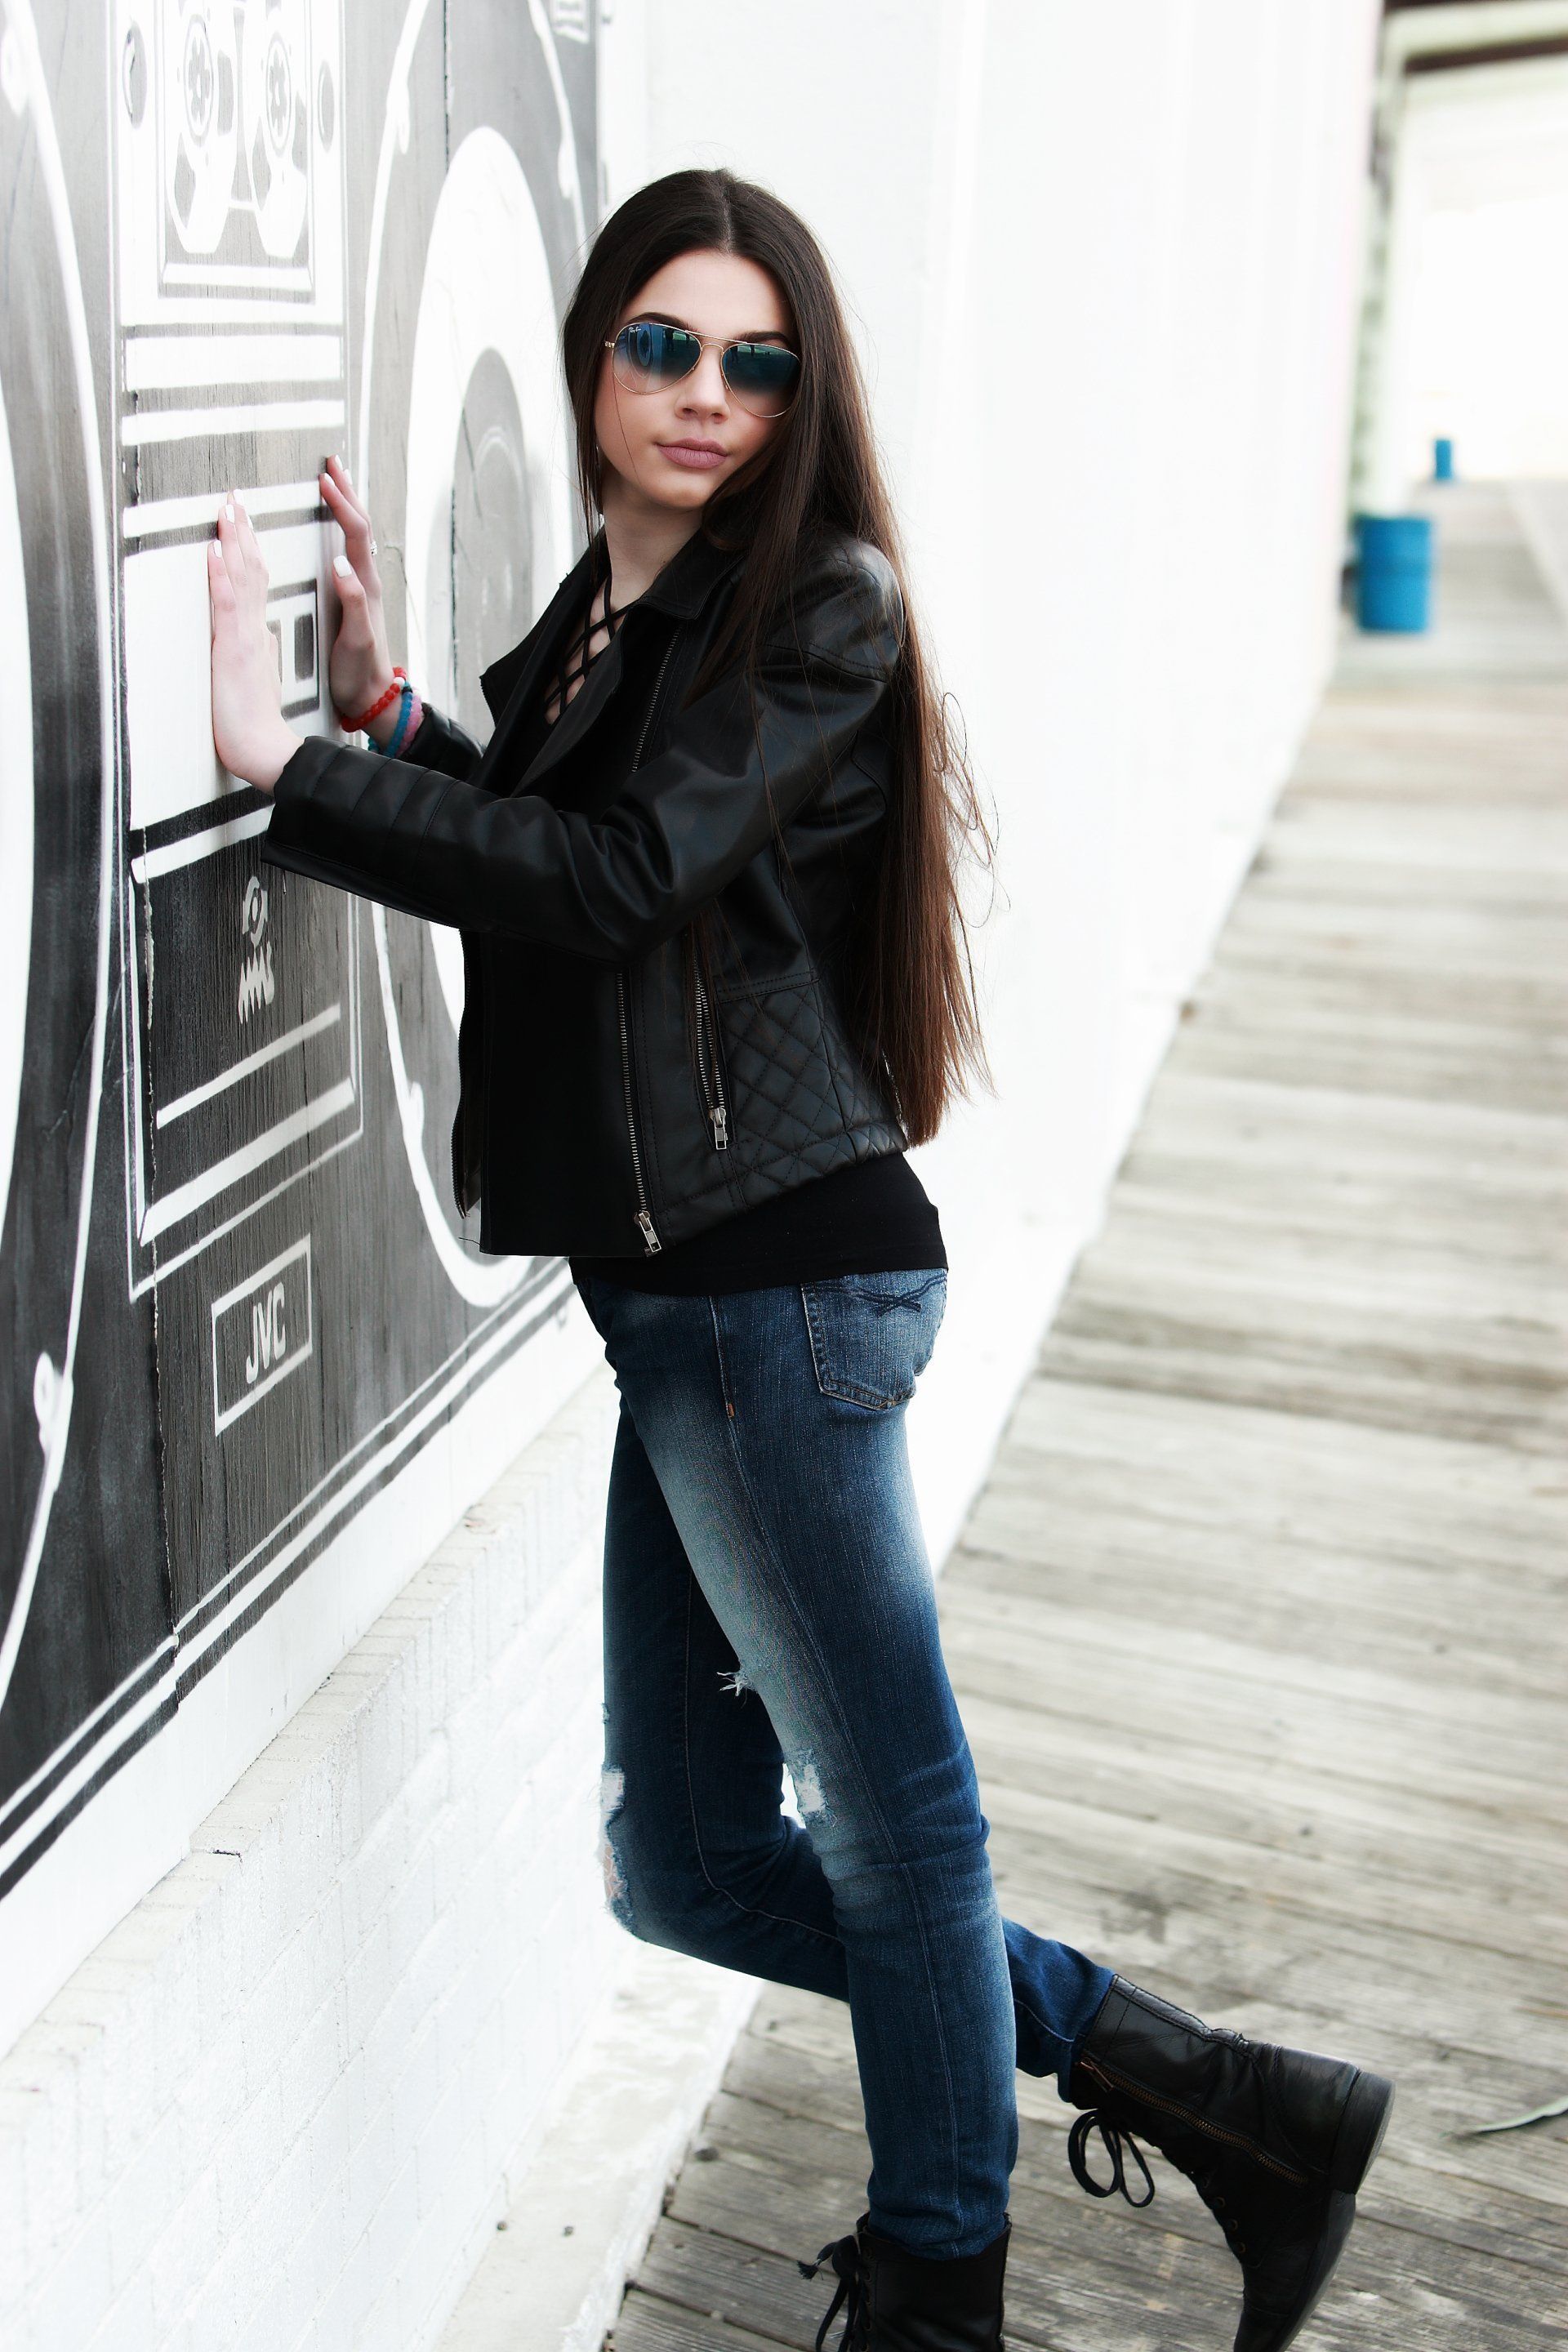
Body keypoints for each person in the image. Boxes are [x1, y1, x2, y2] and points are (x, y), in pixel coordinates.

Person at [208, 167, 1392, 2352]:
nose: (707, 393)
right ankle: (1223, 2099)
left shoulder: (814, 604)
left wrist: (284, 775)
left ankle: (943, 2284)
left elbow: (619, 875)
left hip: (781, 1298)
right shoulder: (613, 612)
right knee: (687, 1865)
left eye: (757, 361)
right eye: (664, 344)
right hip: (692, 1322)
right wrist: (381, 732)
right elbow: (588, 875)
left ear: (802, 391)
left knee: (898, 1832)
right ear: (593, 355)